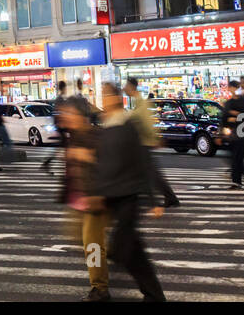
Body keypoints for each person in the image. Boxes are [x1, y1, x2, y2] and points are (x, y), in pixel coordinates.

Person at [90, 82, 166, 302]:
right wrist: (97, 191)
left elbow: (144, 160)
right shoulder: (105, 126)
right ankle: (154, 295)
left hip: (129, 195)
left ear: (115, 98)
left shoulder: (128, 124)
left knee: (121, 248)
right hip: (111, 195)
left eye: (105, 95)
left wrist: (154, 200)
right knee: (134, 251)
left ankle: (152, 294)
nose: (103, 100)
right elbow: (102, 162)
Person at [57, 98, 107, 301]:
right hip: (77, 200)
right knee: (79, 238)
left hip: (93, 200)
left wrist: (85, 156)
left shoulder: (93, 135)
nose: (65, 117)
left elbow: (105, 163)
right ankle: (111, 255)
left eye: (69, 114)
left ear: (80, 116)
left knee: (92, 245)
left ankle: (100, 288)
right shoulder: (74, 135)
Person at [123, 76, 180, 207]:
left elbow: (148, 124)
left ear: (131, 87)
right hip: (140, 144)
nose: (124, 89)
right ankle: (165, 197)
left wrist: (156, 139)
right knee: (147, 173)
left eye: (126, 86)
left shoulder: (141, 104)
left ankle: (168, 197)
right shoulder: (137, 103)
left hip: (144, 144)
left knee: (152, 174)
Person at [222, 80, 244, 190]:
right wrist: (234, 117)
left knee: (237, 156)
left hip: (242, 131)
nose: (231, 90)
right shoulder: (229, 103)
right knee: (234, 156)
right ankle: (238, 178)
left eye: (233, 88)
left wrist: (235, 116)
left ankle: (237, 181)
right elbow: (225, 118)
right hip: (233, 131)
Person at [41, 80, 70, 175]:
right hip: (61, 126)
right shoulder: (60, 100)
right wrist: (60, 125)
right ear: (63, 88)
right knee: (64, 147)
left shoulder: (60, 99)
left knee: (61, 147)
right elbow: (58, 113)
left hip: (61, 126)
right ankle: (49, 164)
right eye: (65, 88)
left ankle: (47, 164)